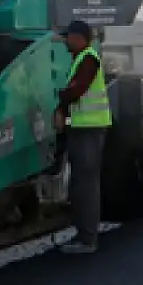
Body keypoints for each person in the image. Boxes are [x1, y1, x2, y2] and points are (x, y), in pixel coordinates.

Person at [54, 19, 113, 254]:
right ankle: (85, 235)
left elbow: (77, 88)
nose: (66, 40)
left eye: (69, 36)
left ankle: (87, 239)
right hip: (84, 129)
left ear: (79, 38)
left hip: (89, 130)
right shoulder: (82, 57)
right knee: (82, 184)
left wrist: (59, 102)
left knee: (85, 185)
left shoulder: (88, 58)